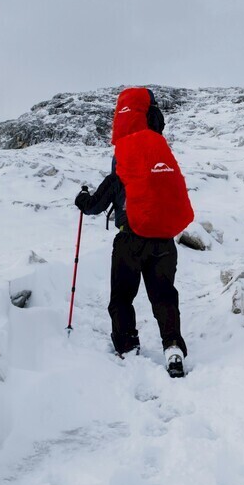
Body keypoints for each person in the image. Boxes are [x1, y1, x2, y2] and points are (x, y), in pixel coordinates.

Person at [75, 87, 194, 377]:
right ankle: (173, 348)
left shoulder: (120, 173)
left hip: (129, 241)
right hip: (164, 241)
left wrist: (81, 198)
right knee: (164, 296)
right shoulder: (159, 161)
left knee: (122, 297)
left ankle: (128, 347)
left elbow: (93, 206)